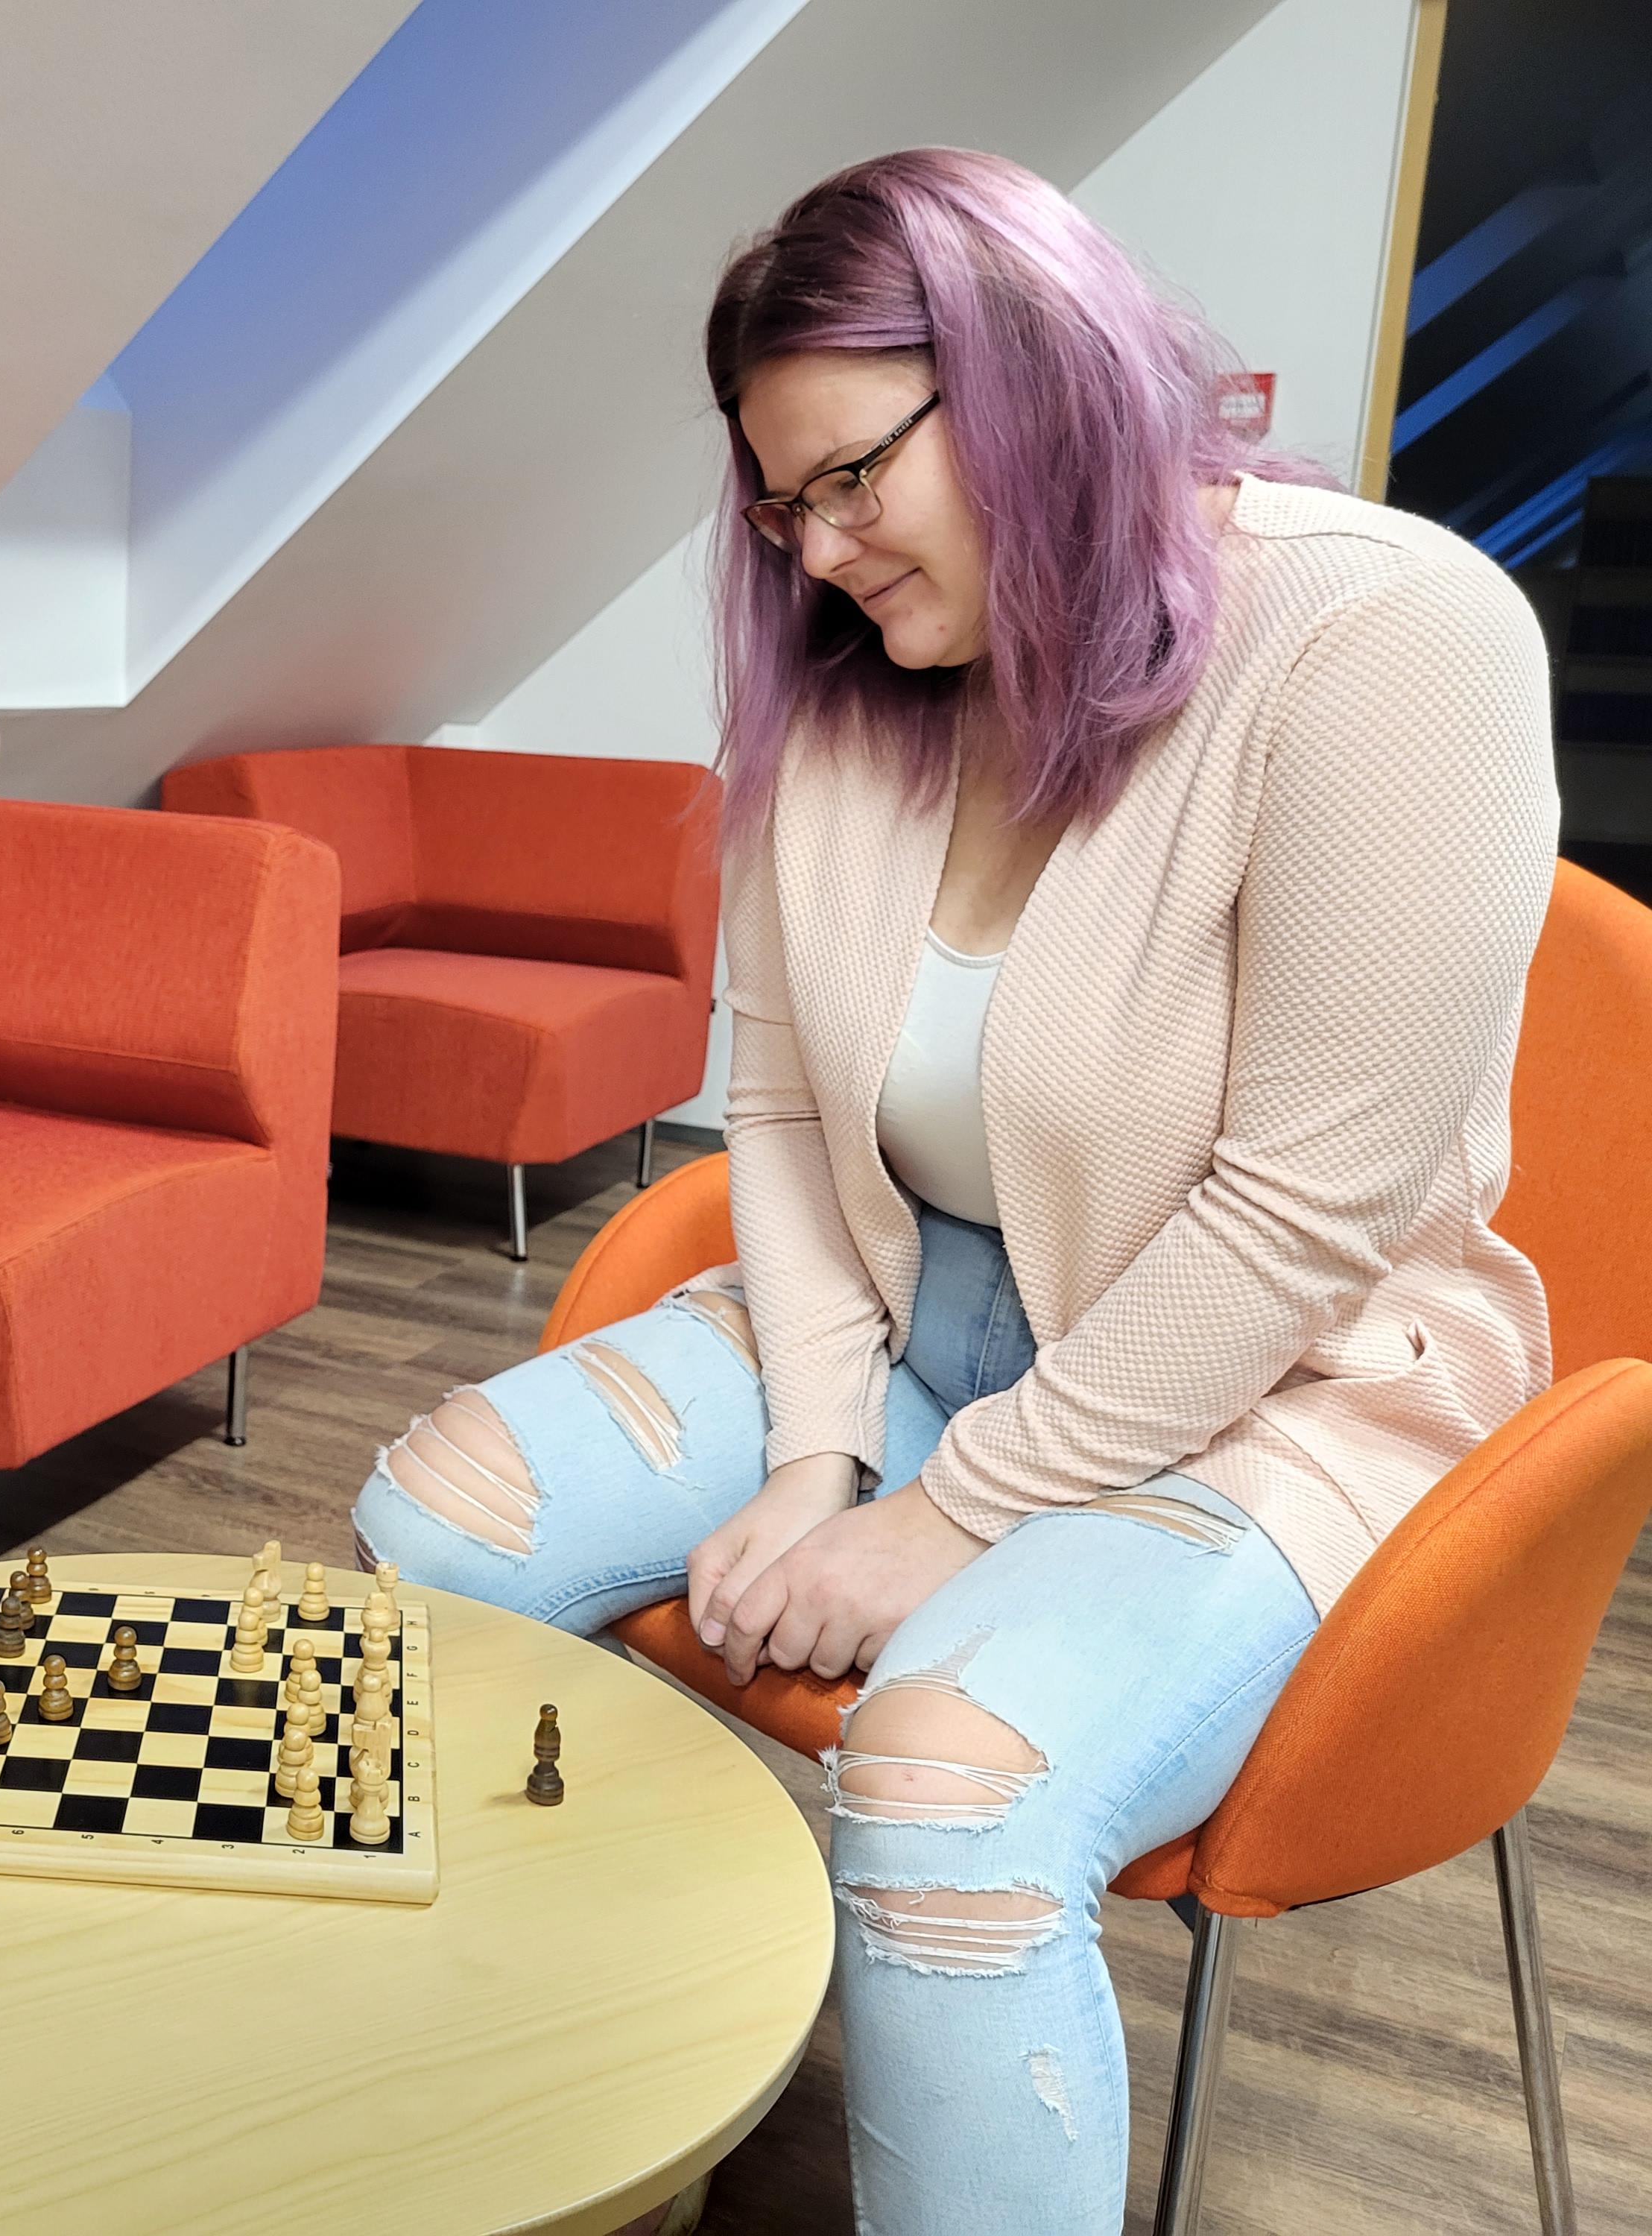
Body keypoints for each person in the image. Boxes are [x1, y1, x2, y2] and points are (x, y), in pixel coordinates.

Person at [352, 150, 1555, 2234]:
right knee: (423, 1535)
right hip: (924, 1317)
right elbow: (782, 1115)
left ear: (1036, 381)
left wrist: (945, 1515)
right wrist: (820, 1455)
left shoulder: (1387, 634)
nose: (816, 558)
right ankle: (579, 2118)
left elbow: (1297, 1220)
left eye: (849, 480)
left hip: (1280, 1386)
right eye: (778, 507)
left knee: (937, 1801)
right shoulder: (852, 688)